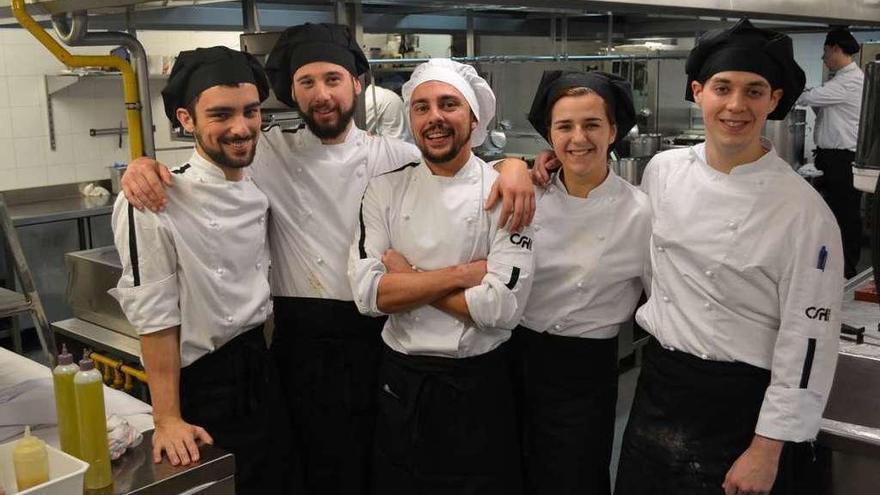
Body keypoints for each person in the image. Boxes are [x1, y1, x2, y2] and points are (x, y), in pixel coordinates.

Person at [120, 23, 535, 495]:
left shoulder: (392, 156)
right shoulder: (265, 150)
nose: (322, 95)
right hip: (299, 344)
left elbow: (457, 162)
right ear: (292, 93)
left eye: (333, 80)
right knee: (308, 470)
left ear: (357, 83)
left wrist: (513, 165)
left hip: (378, 337)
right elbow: (207, 161)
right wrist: (141, 166)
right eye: (307, 83)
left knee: (376, 467)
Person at [610, 19, 843, 495]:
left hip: (744, 407)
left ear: (774, 101)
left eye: (754, 91)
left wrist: (767, 448)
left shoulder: (804, 210)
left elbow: (809, 340)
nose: (737, 106)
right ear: (698, 92)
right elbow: (653, 270)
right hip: (661, 386)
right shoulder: (663, 171)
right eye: (723, 88)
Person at [109, 46, 292, 493]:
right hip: (203, 387)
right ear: (186, 120)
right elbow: (155, 315)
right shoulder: (153, 200)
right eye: (220, 114)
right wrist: (167, 417)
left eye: (251, 112)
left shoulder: (257, 178)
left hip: (263, 369)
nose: (241, 127)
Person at [348, 58, 535, 495]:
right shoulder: (384, 189)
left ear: (473, 118)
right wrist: (464, 274)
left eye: (449, 104)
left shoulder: (506, 190)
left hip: (481, 384)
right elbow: (368, 295)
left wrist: (407, 277)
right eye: (422, 107)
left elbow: (498, 309)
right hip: (403, 383)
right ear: (411, 118)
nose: (434, 118)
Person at [514, 70, 650, 495]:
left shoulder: (640, 212)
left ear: (613, 131)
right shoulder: (527, 195)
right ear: (548, 135)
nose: (578, 138)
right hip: (514, 357)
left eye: (592, 125)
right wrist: (510, 165)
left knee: (575, 479)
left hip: (584, 370)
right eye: (565, 126)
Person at [797, 27, 865, 279]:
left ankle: (846, 269)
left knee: (845, 215)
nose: (823, 57)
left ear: (836, 49)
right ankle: (833, 266)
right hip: (831, 157)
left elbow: (807, 98)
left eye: (825, 51)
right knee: (831, 214)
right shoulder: (840, 80)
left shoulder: (850, 81)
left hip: (843, 159)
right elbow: (821, 106)